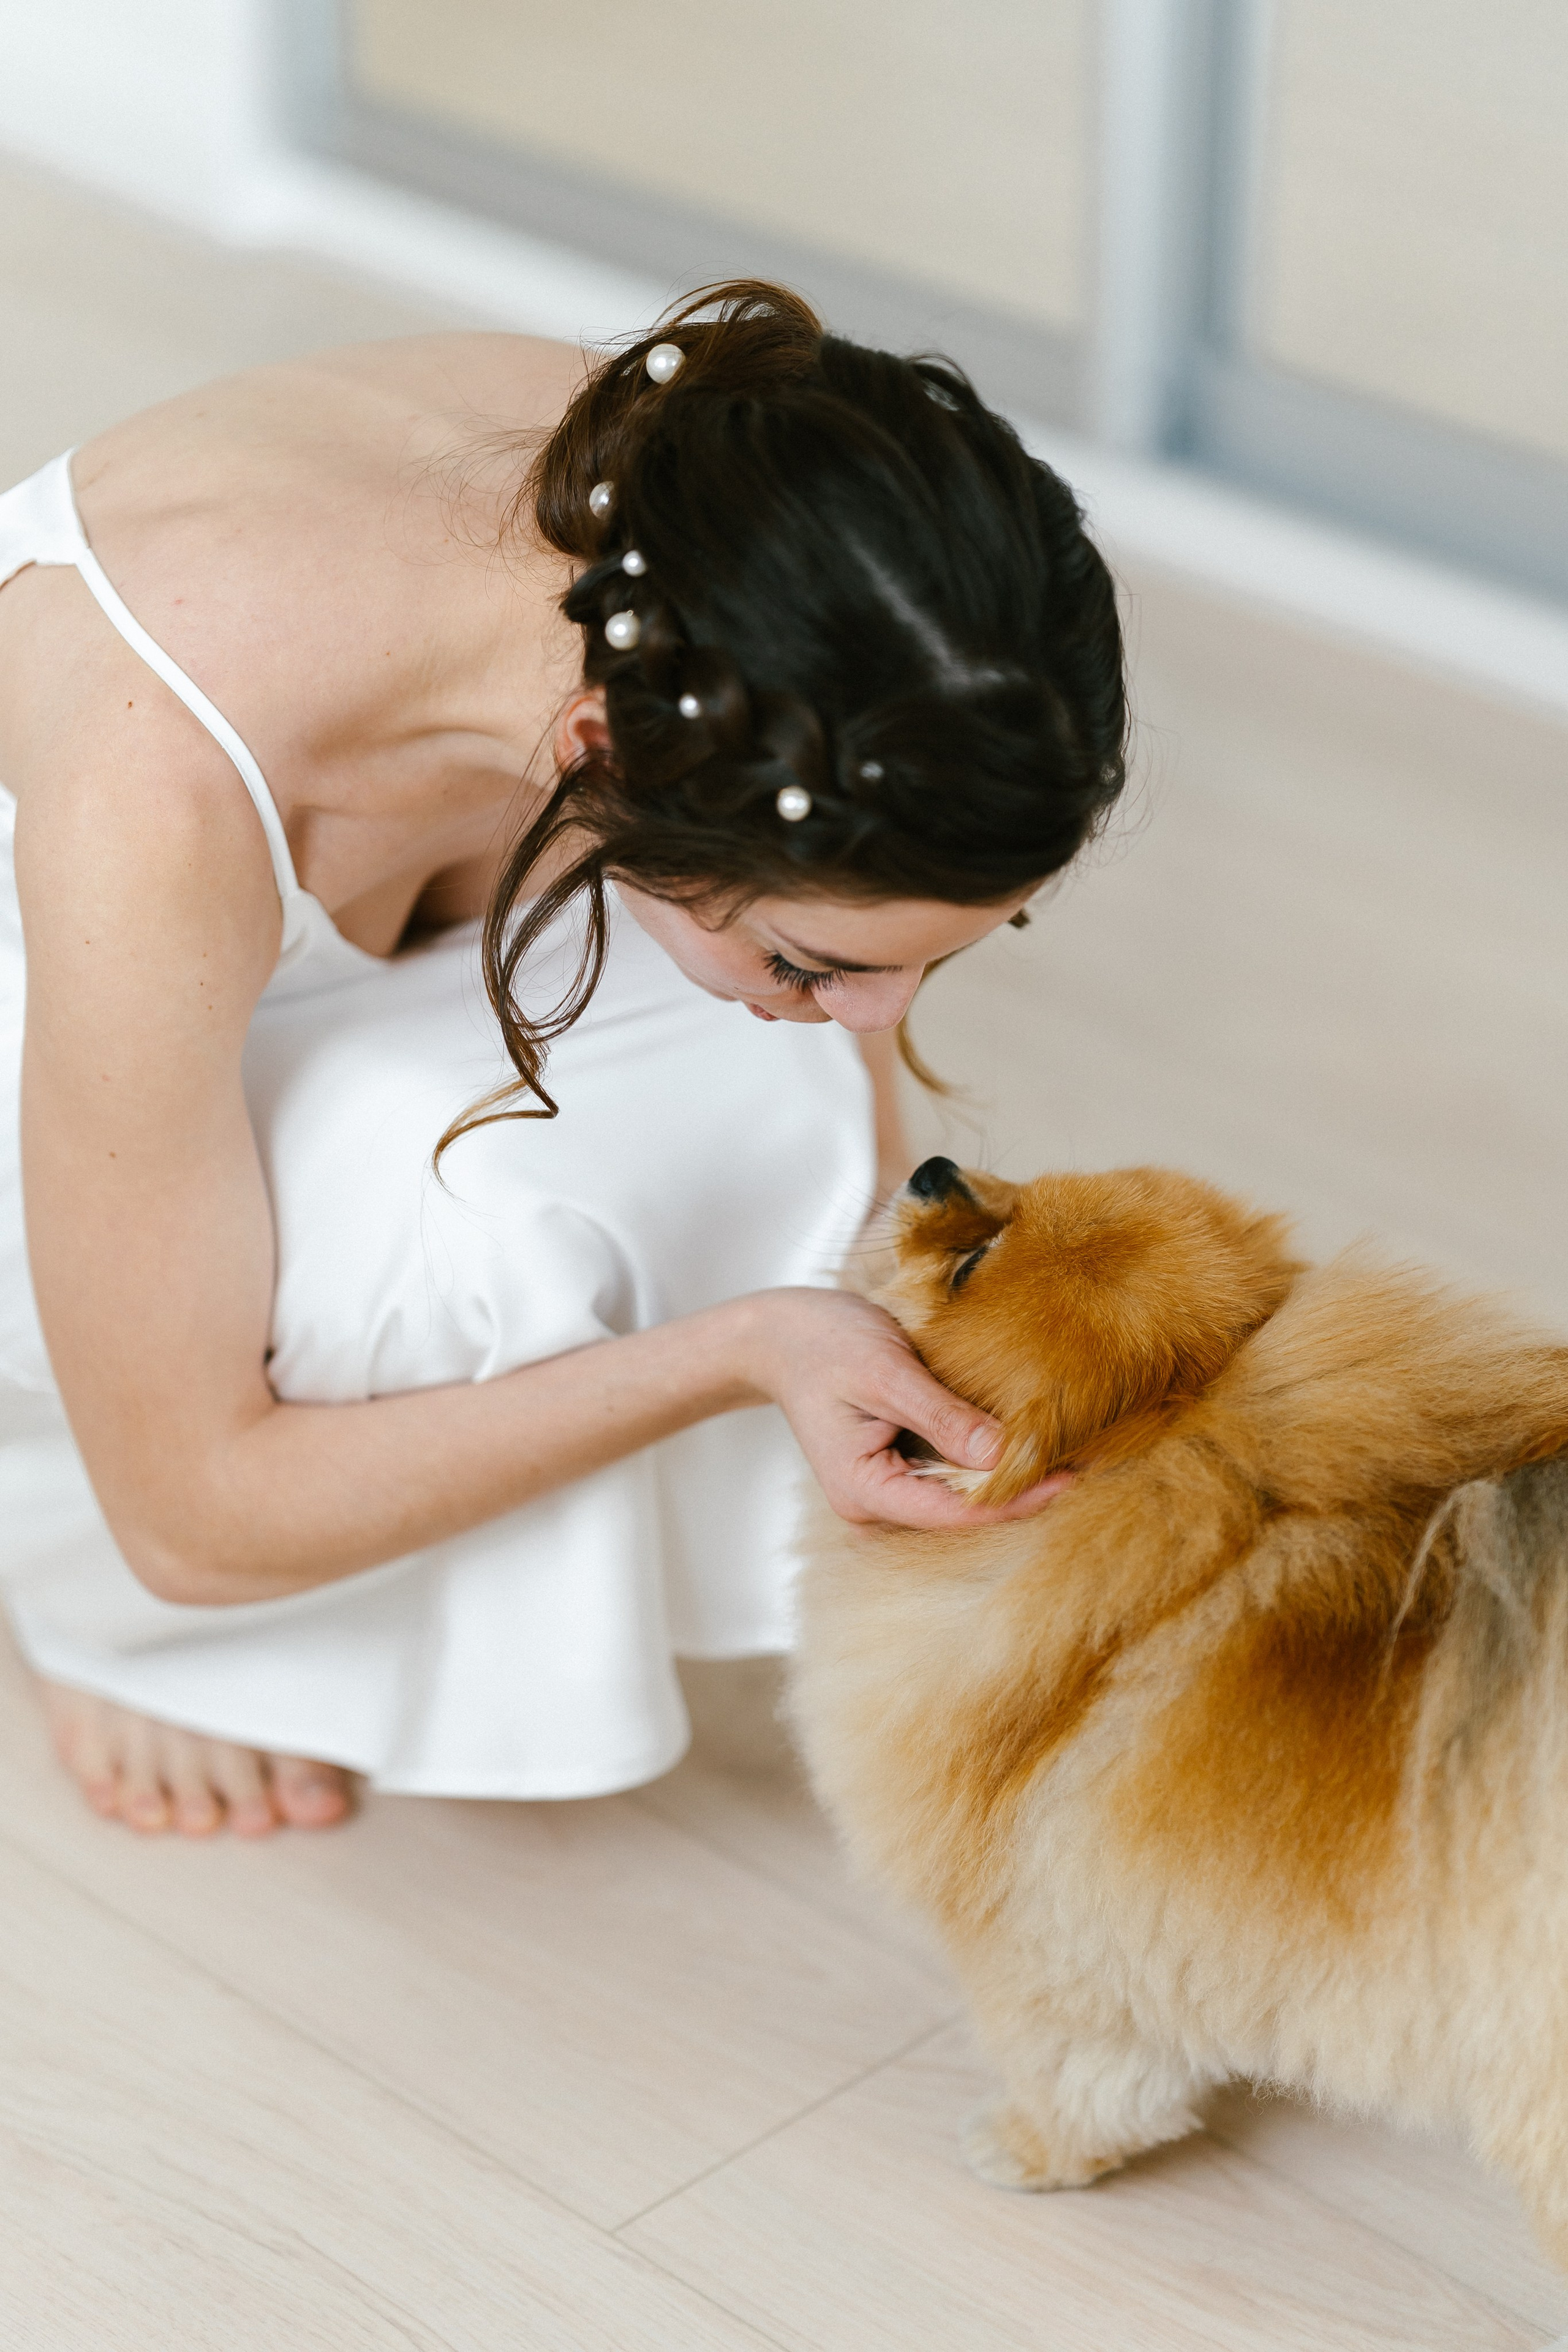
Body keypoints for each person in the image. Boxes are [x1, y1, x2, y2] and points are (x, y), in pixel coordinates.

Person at [0, 281, 1126, 1838]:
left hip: (259, 937)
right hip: (64, 1004)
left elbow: (834, 1085)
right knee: (487, 1232)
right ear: (597, 752)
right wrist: (734, 1352)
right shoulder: (151, 793)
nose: (888, 1020)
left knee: (767, 1081)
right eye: (821, 959)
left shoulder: (719, 530)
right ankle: (84, 1595)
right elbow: (195, 1517)